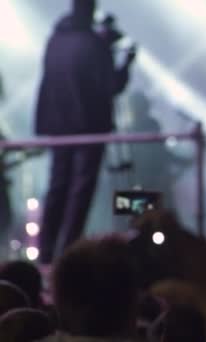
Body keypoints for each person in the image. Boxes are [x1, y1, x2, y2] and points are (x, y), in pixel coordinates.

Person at [35, 0, 135, 263]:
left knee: (57, 187)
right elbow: (110, 85)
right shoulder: (94, 44)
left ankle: (46, 253)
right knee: (80, 190)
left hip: (58, 127)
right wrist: (125, 62)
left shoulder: (55, 40)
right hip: (88, 128)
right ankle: (67, 252)